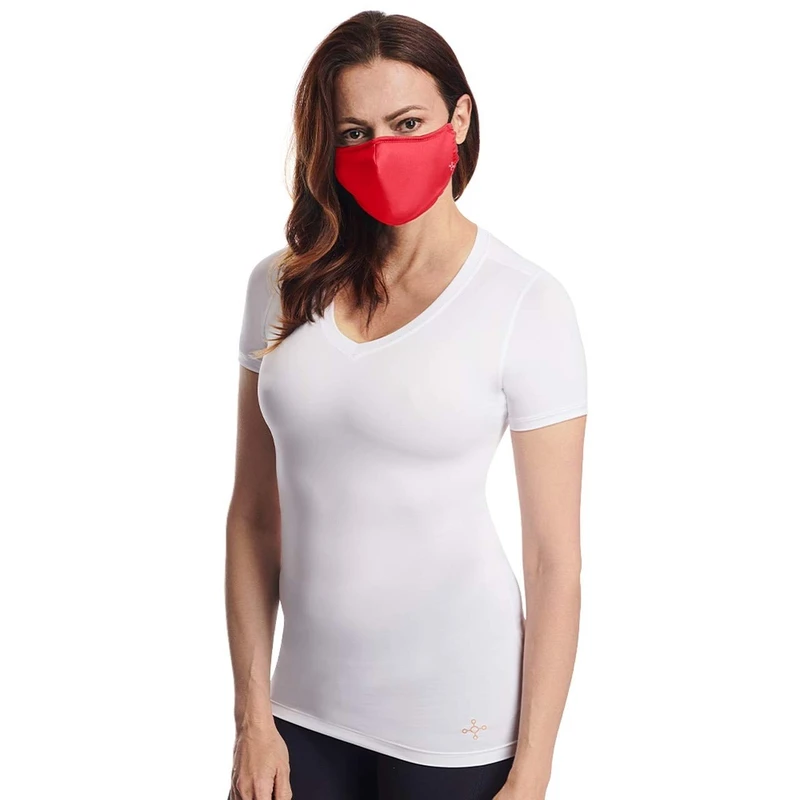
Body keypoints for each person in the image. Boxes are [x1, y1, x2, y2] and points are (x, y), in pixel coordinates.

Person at [226, 10, 588, 800]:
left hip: (457, 725)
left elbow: (553, 561)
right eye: (354, 132)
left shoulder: (526, 303)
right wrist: (252, 717)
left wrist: (533, 772)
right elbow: (253, 516)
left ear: (459, 120)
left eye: (407, 122)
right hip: (299, 714)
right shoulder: (280, 287)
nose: (382, 150)